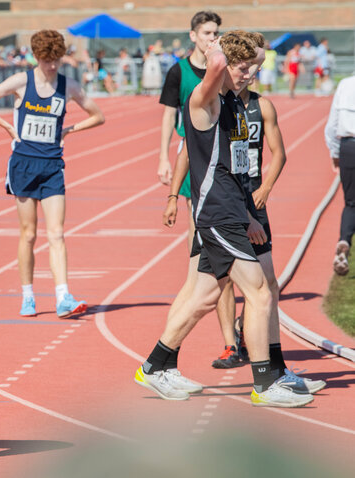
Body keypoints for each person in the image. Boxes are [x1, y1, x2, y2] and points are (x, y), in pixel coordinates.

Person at [135, 31, 313, 408]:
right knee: (260, 292)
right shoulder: (205, 99)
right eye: (245, 67)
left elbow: (234, 168)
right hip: (216, 214)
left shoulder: (235, 105)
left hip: (233, 210)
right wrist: (219, 46)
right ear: (225, 65)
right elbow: (216, 64)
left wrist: (249, 212)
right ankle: (266, 382)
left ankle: (155, 366)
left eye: (256, 67)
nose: (252, 73)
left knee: (203, 298)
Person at [0, 29, 104, 319]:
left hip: (53, 165)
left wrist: (70, 129)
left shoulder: (69, 86)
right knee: (28, 234)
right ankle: (27, 295)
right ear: (36, 57)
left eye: (56, 59)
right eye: (46, 60)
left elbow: (98, 115)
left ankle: (63, 296)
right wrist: (4, 125)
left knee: (57, 234)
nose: (52, 66)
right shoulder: (21, 81)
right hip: (23, 165)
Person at [156, 11, 240, 368]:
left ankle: (229, 343)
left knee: (217, 271)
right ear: (193, 35)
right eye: (207, 32)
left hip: (219, 163)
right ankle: (165, 354)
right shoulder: (182, 72)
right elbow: (168, 116)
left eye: (216, 32)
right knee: (208, 267)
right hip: (193, 160)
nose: (212, 37)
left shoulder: (230, 76)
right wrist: (163, 157)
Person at [324, 72, 355, 276]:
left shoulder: (345, 85)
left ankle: (344, 240)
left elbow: (331, 126)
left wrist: (335, 153)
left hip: (348, 148)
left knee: (351, 202)